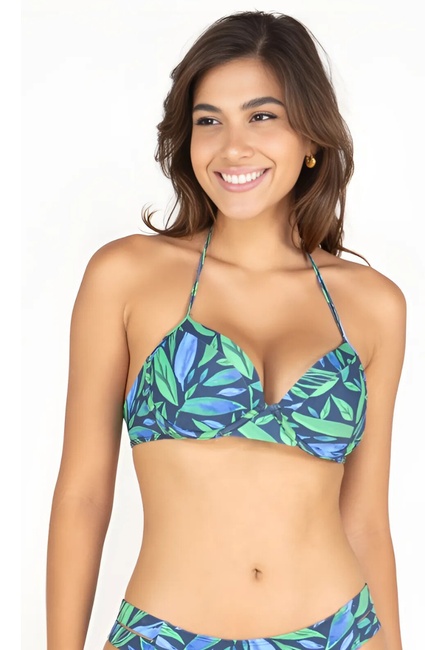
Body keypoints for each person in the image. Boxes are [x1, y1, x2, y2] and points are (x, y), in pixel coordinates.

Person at [46, 10, 406, 650]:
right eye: (209, 121)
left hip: (340, 633)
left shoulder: (374, 305)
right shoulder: (126, 276)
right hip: (165, 635)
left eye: (261, 116)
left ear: (311, 136)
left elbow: (366, 522)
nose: (232, 146)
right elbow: (83, 496)